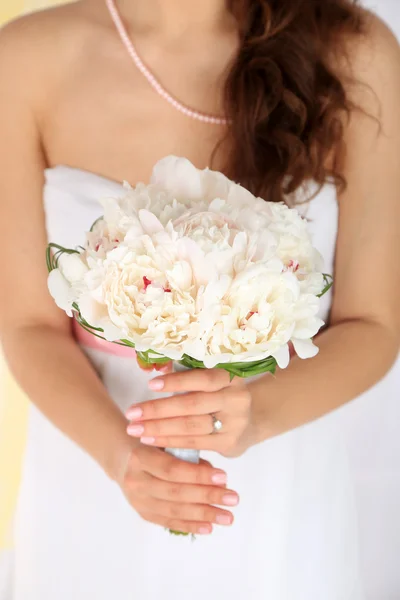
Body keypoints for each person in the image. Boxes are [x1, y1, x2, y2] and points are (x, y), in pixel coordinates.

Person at [0, 0, 399, 598]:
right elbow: (28, 323)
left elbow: (374, 325)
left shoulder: (354, 50)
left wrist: (257, 412)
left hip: (279, 486)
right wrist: (121, 458)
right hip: (93, 473)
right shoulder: (24, 59)